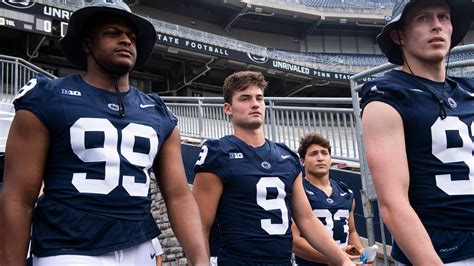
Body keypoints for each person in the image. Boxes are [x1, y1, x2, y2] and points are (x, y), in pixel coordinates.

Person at [0, 1, 208, 265]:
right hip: (68, 249)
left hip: (139, 246)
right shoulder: (48, 97)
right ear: (87, 44)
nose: (126, 41)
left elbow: (178, 195)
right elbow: (18, 196)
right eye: (113, 33)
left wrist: (199, 259)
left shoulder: (157, 112)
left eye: (131, 37)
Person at [192, 71, 354, 265]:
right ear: (228, 108)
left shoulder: (287, 157)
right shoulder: (218, 152)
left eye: (259, 98)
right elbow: (199, 225)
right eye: (245, 98)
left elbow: (307, 219)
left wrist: (344, 260)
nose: (254, 104)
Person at [360, 0, 474, 265]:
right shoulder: (387, 98)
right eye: (423, 18)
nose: (437, 25)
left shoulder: (468, 91)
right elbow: (393, 204)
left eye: (443, 17)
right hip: (441, 252)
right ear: (398, 35)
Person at [293, 133, 365, 265]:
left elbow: (352, 231)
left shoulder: (345, 192)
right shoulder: (298, 192)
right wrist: (336, 257)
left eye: (324, 153)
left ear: (331, 159)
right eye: (313, 154)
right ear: (302, 161)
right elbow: (294, 240)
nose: (320, 158)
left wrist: (361, 255)